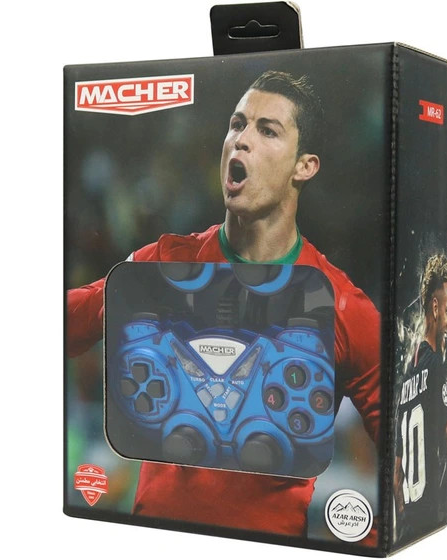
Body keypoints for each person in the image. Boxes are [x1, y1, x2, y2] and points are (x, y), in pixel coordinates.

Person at [68, 71, 381, 539]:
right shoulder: (163, 266)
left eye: (267, 130)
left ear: (304, 166)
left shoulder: (340, 305)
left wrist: (365, 541)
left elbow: (411, 457)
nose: (242, 139)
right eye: (237, 124)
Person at [393, 254, 447, 543]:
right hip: (431, 521)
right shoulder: (438, 367)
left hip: (407, 525)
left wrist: (402, 515)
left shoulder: (408, 371)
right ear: (435, 307)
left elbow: (396, 475)